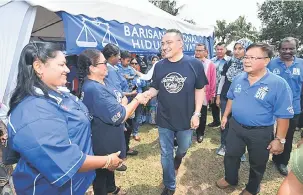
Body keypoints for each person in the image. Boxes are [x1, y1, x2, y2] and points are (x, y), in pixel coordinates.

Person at [6, 42, 123, 194]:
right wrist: (107, 161)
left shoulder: (59, 93)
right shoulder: (33, 112)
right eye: (61, 65)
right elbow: (66, 159)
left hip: (73, 186)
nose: (67, 69)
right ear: (39, 67)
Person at [216, 43, 293, 195]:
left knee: (258, 162)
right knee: (231, 155)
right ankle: (230, 178)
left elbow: (283, 115)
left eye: (252, 58)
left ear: (266, 61)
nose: (246, 61)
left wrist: (280, 139)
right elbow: (231, 98)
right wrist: (225, 116)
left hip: (260, 131)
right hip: (236, 126)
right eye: (246, 57)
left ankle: (252, 187)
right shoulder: (238, 78)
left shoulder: (278, 84)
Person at [143, 29, 208, 195]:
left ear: (180, 44)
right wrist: (149, 93)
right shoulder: (159, 66)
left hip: (186, 119)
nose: (164, 47)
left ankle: (178, 158)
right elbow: (156, 87)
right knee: (165, 154)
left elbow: (200, 89)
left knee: (183, 147)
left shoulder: (194, 64)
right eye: (163, 43)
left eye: (169, 43)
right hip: (164, 118)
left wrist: (197, 113)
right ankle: (170, 186)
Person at [77, 49, 148, 195]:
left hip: (111, 133)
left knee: (110, 166)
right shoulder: (93, 89)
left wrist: (122, 105)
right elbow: (120, 114)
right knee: (102, 172)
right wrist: (136, 100)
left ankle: (112, 189)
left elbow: (120, 96)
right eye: (103, 63)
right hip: (102, 138)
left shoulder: (104, 81)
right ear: (92, 68)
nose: (107, 66)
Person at [267, 37, 303, 176]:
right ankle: (264, 156)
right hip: (271, 108)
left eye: (291, 48)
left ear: (296, 49)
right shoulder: (271, 64)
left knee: (286, 136)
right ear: (279, 49)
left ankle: (281, 161)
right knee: (267, 134)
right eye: (284, 48)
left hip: (293, 108)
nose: (287, 51)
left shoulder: (301, 64)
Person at [216, 39, 252, 158]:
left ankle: (240, 150)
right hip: (226, 97)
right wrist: (218, 95)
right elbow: (222, 80)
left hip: (241, 99)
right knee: (225, 122)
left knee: (239, 124)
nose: (236, 51)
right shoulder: (229, 62)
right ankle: (224, 145)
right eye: (235, 48)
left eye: (240, 48)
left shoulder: (249, 65)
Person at [194, 43, 216, 143]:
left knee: (202, 114)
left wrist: (212, 94)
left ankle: (200, 133)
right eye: (196, 50)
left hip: (203, 93)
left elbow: (212, 80)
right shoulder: (190, 62)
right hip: (190, 92)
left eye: (200, 50)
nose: (197, 52)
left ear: (205, 52)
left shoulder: (210, 64)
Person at [209, 42, 231, 128]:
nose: (219, 51)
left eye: (221, 49)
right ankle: (216, 121)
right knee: (213, 105)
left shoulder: (230, 60)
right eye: (217, 49)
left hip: (224, 88)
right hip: (213, 87)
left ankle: (225, 122)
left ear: (225, 50)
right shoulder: (212, 61)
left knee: (224, 106)